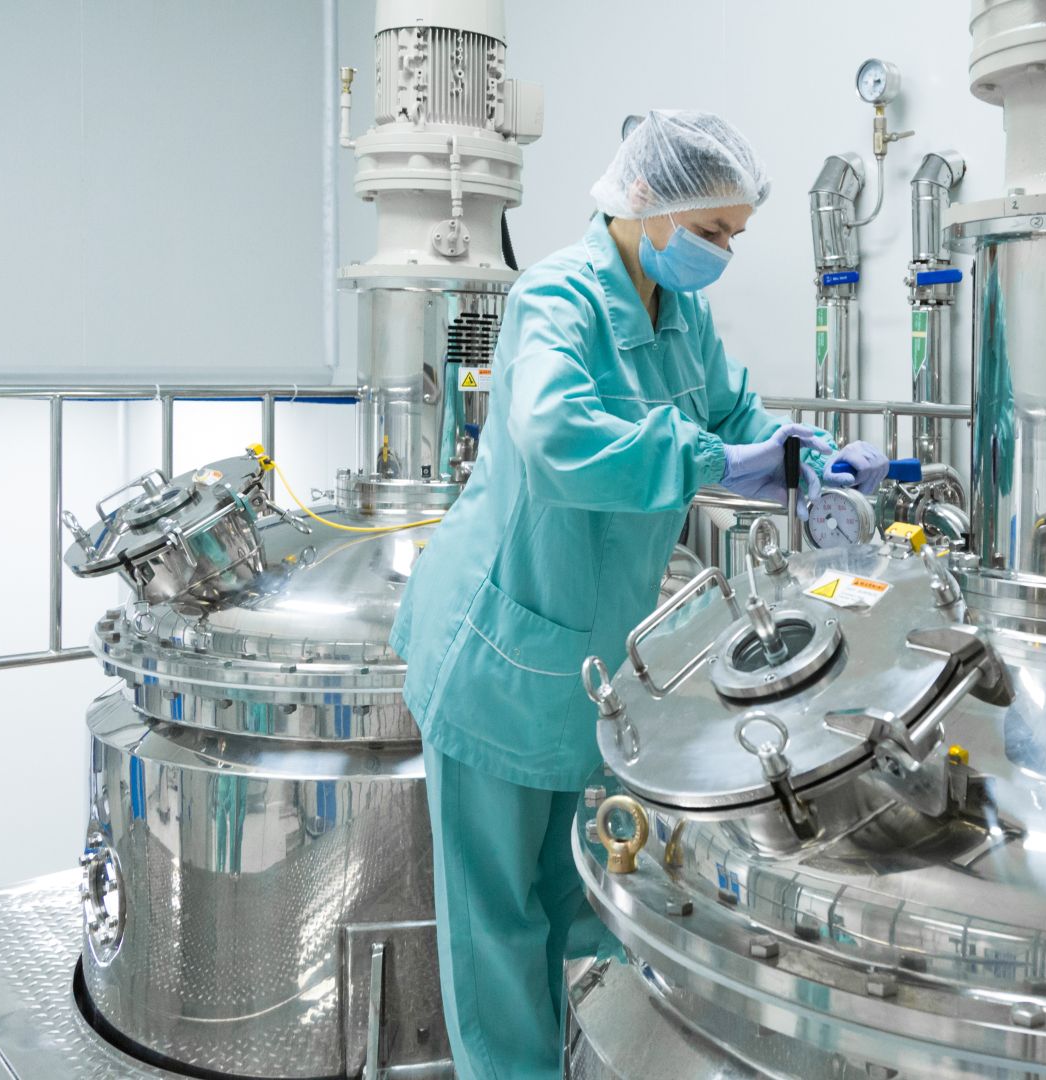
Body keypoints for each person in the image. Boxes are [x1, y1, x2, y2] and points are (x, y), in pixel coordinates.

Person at [388, 109, 890, 1079]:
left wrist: (812, 457)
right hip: (498, 651)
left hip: (580, 658)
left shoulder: (679, 312)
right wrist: (715, 459)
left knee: (560, 889)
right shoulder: (557, 298)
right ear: (646, 199)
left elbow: (738, 417)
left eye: (736, 236)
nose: (724, 253)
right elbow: (555, 438)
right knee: (495, 924)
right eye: (713, 231)